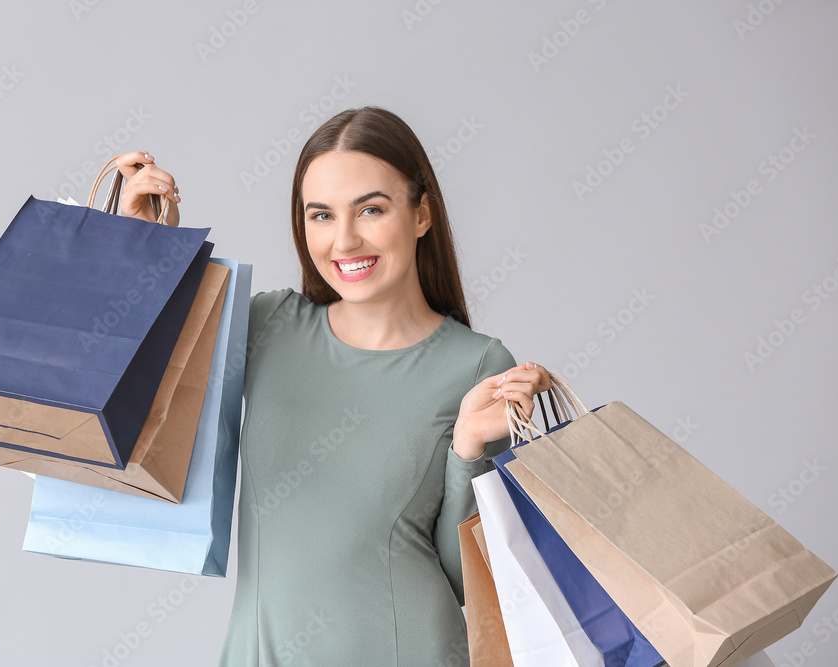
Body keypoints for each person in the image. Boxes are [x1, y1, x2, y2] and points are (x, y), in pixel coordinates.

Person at [117, 107, 551, 666]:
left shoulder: (477, 365)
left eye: (371, 209)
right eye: (320, 215)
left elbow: (470, 582)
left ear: (422, 215)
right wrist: (138, 245)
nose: (344, 240)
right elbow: (130, 383)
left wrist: (468, 450)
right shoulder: (269, 326)